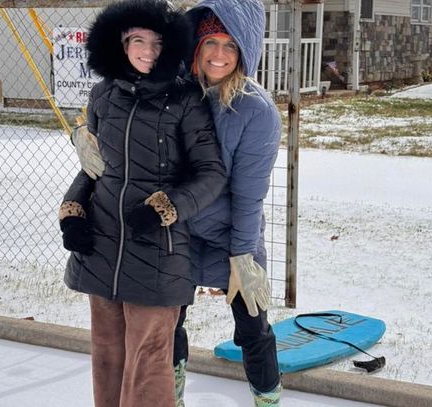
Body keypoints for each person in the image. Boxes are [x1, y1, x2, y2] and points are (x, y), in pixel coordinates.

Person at [58, 0, 226, 406]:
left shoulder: (186, 99)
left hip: (157, 250)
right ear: (121, 43)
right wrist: (72, 210)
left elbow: (211, 174)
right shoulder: (103, 95)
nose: (148, 51)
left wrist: (164, 208)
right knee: (107, 354)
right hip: (102, 245)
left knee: (148, 360)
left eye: (157, 42)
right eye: (138, 41)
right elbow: (95, 167)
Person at [172, 1, 283, 406]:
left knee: (253, 327)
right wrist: (86, 133)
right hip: (179, 230)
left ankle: (267, 398)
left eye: (230, 45)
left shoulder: (257, 110)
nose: (219, 54)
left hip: (232, 235)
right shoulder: (176, 93)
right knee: (166, 323)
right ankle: (170, 395)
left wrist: (242, 258)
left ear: (244, 50)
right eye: (210, 42)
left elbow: (249, 196)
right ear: (196, 47)